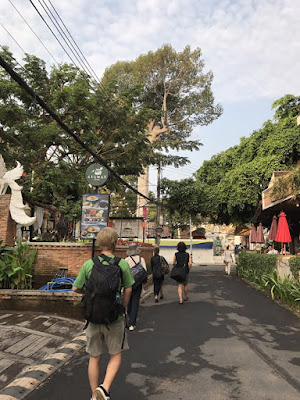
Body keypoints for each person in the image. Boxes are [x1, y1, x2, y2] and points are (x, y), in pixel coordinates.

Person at [72, 227, 134, 400]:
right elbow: (128, 289)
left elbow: (75, 287)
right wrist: (123, 306)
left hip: (93, 317)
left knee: (94, 357)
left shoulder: (89, 264)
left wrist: (89, 295)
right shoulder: (122, 264)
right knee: (115, 354)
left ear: (99, 243)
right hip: (114, 317)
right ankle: (105, 388)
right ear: (115, 243)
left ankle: (94, 395)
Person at [125, 243, 147, 331]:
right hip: (138, 284)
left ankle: (129, 318)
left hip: (128, 284)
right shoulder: (141, 259)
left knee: (128, 302)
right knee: (135, 302)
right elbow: (145, 271)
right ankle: (132, 323)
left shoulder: (126, 260)